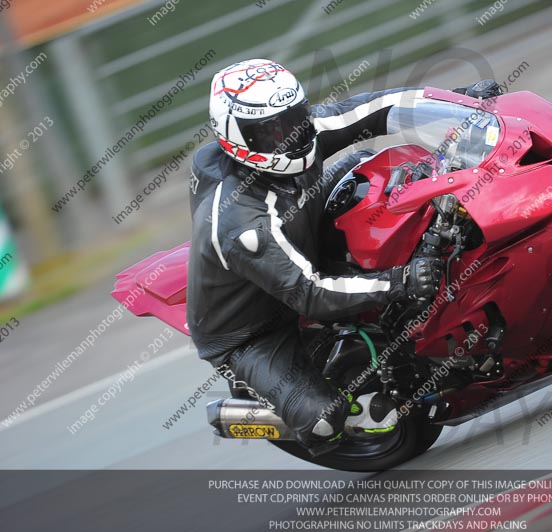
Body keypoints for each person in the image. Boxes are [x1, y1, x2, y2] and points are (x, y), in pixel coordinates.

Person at [187, 59, 500, 455]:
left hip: (301, 233)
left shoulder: (297, 134)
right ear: (235, 138)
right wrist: (400, 281)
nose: (291, 136)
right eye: (270, 132)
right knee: (323, 424)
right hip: (256, 331)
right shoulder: (239, 222)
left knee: (368, 164)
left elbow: (373, 110)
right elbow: (310, 293)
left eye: (296, 119)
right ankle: (241, 417)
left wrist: (460, 102)